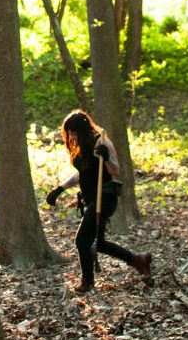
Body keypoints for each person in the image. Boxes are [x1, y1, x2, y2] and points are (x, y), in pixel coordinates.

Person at [45, 109, 152, 293]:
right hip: (92, 199)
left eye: (74, 132)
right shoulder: (81, 145)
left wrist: (107, 157)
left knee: (81, 240)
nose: (71, 136)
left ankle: (87, 282)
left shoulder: (101, 141)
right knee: (99, 242)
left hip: (105, 197)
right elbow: (82, 172)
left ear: (83, 129)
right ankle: (138, 260)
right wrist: (60, 189)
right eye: (69, 132)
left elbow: (115, 170)